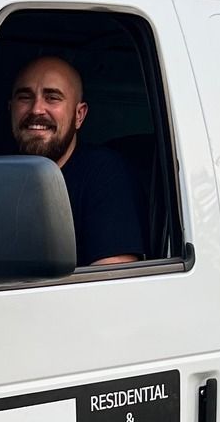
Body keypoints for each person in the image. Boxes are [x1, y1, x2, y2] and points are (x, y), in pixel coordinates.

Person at [8, 56, 146, 266]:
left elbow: (112, 281)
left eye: (52, 98)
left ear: (79, 115)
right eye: (25, 97)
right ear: (11, 108)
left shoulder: (105, 174)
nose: (36, 109)